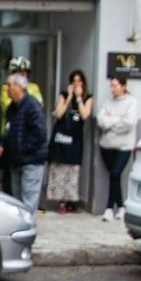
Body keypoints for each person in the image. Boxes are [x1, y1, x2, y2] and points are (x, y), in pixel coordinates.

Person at [0, 73, 47, 212]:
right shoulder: (12, 107)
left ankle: (27, 229)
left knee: (28, 201)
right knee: (17, 200)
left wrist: (22, 148)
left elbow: (40, 133)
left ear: (19, 87)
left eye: (9, 85)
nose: (7, 88)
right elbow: (9, 129)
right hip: (16, 160)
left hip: (30, 161)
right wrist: (2, 144)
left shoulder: (32, 106)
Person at [48, 69, 92, 214]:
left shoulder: (88, 98)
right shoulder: (64, 95)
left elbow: (85, 115)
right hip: (61, 138)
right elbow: (59, 113)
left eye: (79, 81)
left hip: (75, 140)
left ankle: (71, 200)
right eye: (74, 81)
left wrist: (79, 98)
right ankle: (60, 201)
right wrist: (69, 98)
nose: (76, 84)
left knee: (72, 171)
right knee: (59, 168)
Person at [97, 75, 138, 221]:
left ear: (123, 86)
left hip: (124, 146)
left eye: (115, 85)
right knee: (114, 176)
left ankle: (109, 208)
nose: (113, 89)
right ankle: (121, 207)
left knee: (115, 173)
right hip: (107, 145)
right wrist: (117, 119)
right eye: (111, 86)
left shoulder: (131, 102)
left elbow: (129, 123)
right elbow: (101, 121)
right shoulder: (108, 102)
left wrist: (110, 120)